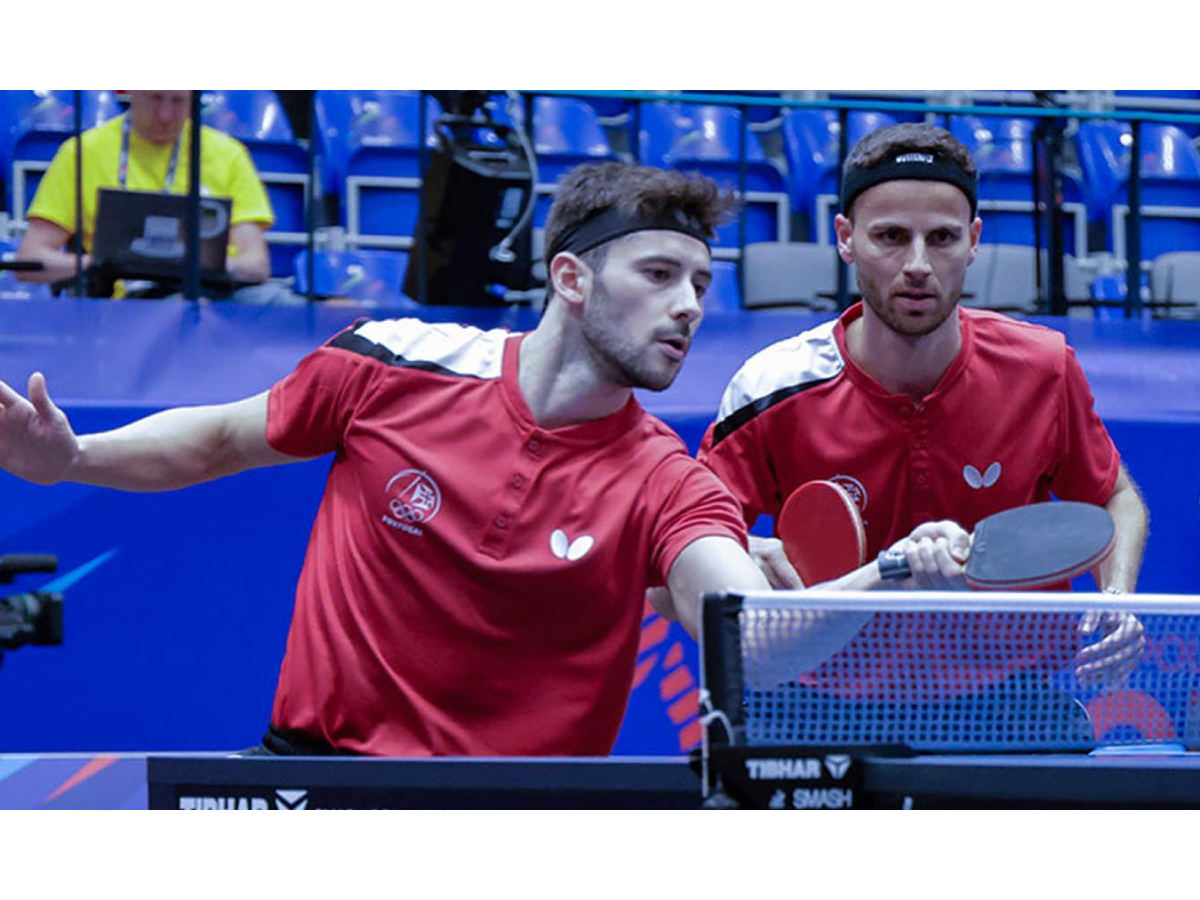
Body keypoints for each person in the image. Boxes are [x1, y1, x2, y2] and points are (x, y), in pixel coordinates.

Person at [0, 160, 968, 757]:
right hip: (316, 773)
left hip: (519, 801)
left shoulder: (665, 478)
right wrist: (72, 456)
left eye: (704, 283)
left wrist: (884, 577)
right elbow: (217, 438)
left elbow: (742, 634)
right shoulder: (394, 363)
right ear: (572, 277)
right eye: (661, 274)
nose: (689, 306)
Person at [698, 124, 1146, 697]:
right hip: (824, 696)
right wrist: (740, 548)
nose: (917, 264)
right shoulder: (771, 387)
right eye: (890, 236)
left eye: (941, 238)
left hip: (1018, 692)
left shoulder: (1042, 367)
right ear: (845, 238)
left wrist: (1116, 601)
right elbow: (686, 548)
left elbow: (1113, 497)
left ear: (974, 239)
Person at [16, 89, 274, 295]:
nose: (165, 114)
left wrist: (195, 270)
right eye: (155, 98)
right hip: (126, 302)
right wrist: (100, 266)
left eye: (178, 101)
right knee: (176, 311)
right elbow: (30, 260)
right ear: (131, 93)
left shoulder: (228, 154)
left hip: (213, 292)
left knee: (280, 303)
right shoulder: (82, 153)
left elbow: (256, 264)